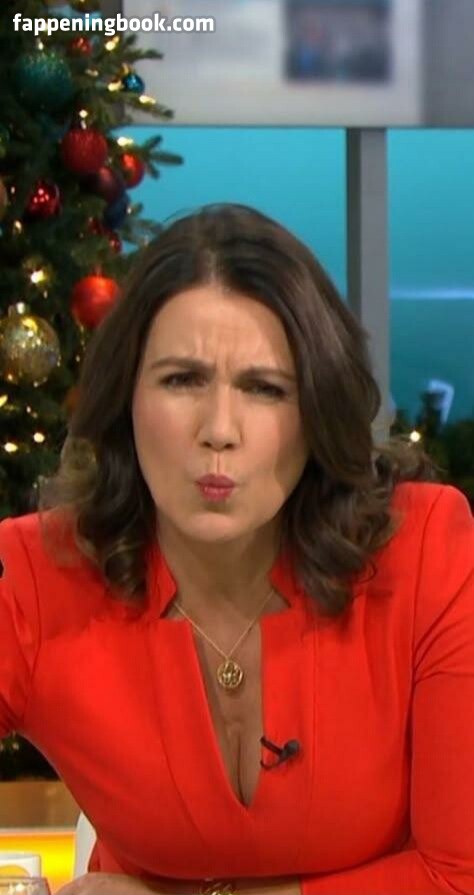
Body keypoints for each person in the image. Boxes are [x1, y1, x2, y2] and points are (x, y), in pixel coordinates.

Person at [0, 203, 473, 895]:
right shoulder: (37, 575)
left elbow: (460, 876)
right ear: (125, 398)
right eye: (182, 379)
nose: (219, 428)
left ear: (316, 411)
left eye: (264, 388)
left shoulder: (425, 550)